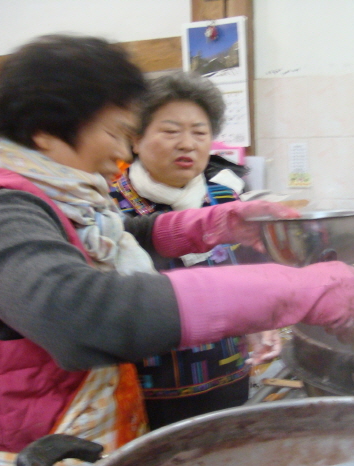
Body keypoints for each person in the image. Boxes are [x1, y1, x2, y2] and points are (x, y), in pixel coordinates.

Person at [0, 34, 354, 466]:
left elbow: (123, 235)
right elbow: (85, 315)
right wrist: (290, 290)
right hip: (2, 450)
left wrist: (216, 223)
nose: (119, 155)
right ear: (44, 129)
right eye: (115, 133)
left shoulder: (46, 195)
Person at [111, 72, 279, 429]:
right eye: (171, 131)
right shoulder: (110, 210)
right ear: (136, 139)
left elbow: (250, 278)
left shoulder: (225, 200)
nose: (187, 144)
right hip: (143, 398)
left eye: (200, 133)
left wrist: (261, 323)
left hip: (229, 383)